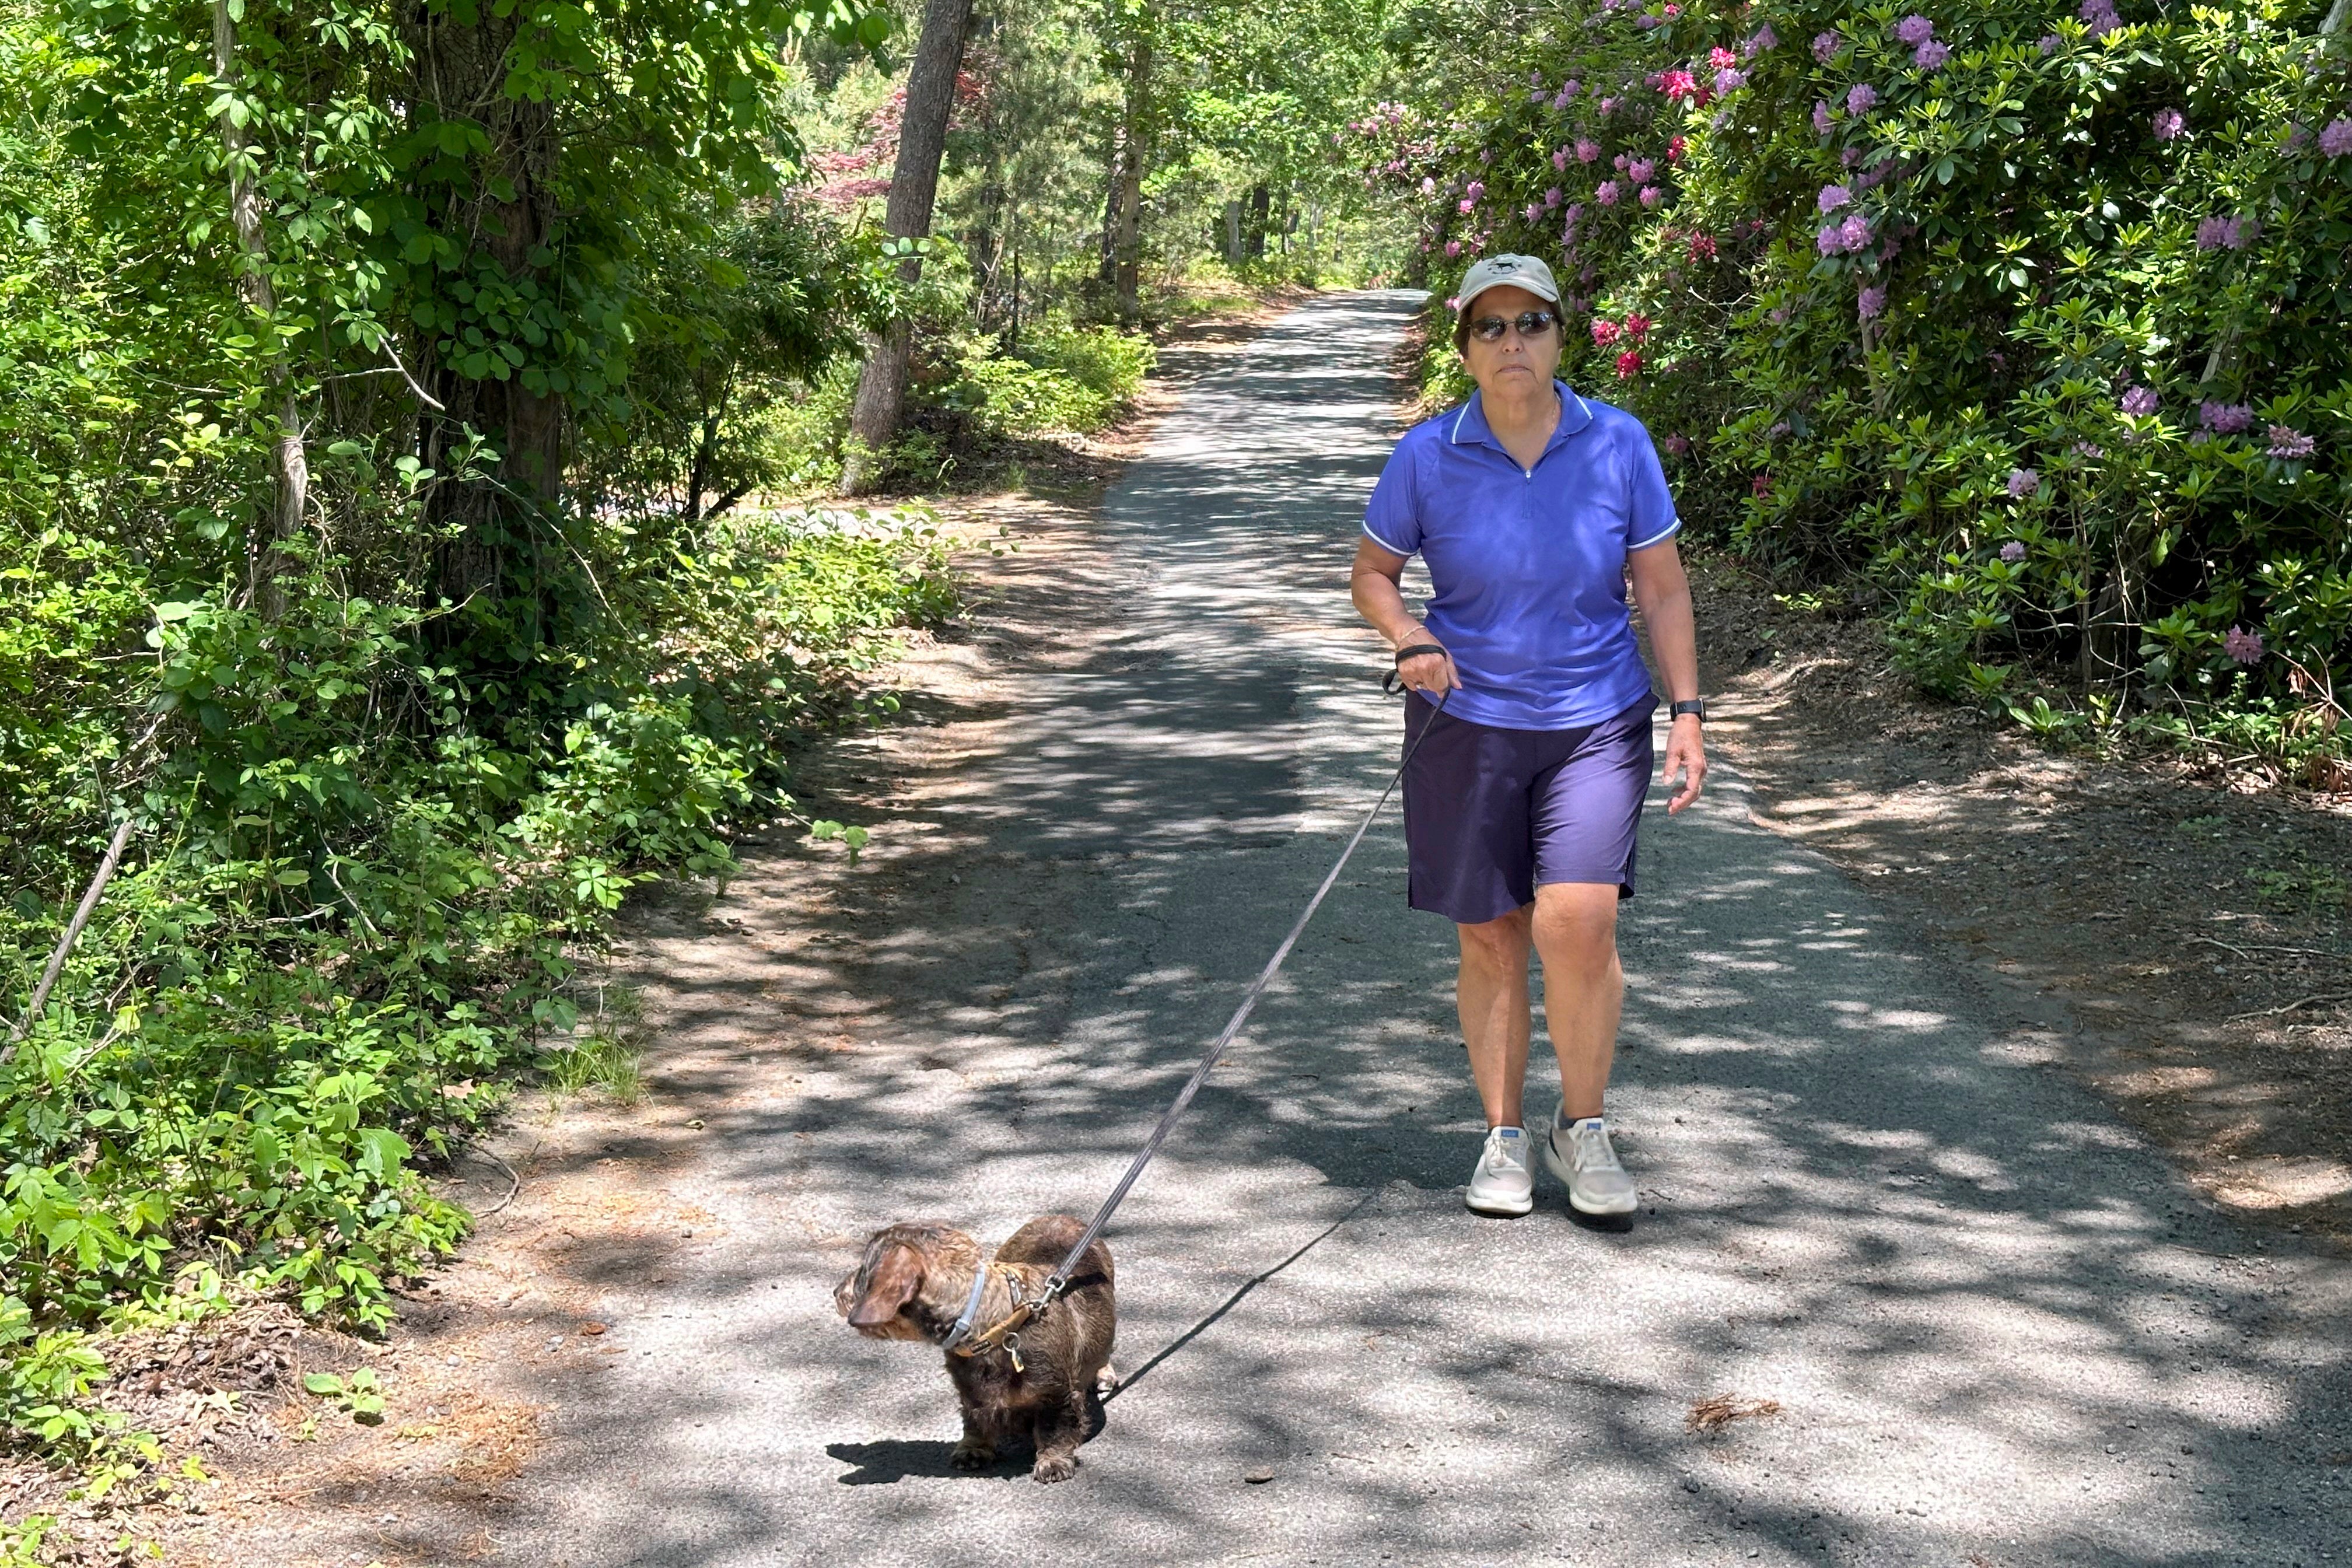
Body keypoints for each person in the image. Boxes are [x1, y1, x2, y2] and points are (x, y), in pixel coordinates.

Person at [1349, 253, 1706, 1219]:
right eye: (1492, 328)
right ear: (1465, 348)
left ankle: (1580, 1127)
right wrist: (1411, 637)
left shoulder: (1618, 442)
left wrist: (1687, 711)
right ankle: (1505, 1135)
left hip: (1595, 717)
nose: (1513, 343)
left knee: (1579, 922)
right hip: (1463, 721)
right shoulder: (1428, 453)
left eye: (1532, 323)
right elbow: (1373, 574)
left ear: (1561, 336)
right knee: (1492, 935)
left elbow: (1662, 587)